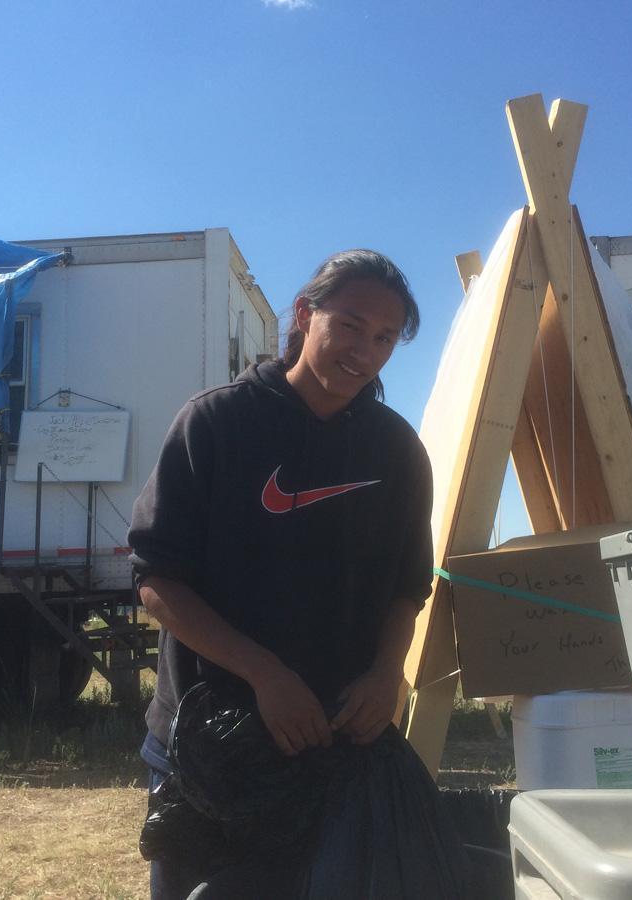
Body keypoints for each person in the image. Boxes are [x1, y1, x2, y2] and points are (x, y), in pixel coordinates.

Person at [127, 249, 434, 899]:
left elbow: (409, 585)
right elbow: (158, 580)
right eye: (350, 325)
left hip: (339, 752)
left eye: (384, 338)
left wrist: (388, 674)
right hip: (213, 752)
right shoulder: (216, 423)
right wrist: (266, 675)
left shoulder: (397, 450)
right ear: (304, 315)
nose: (365, 351)